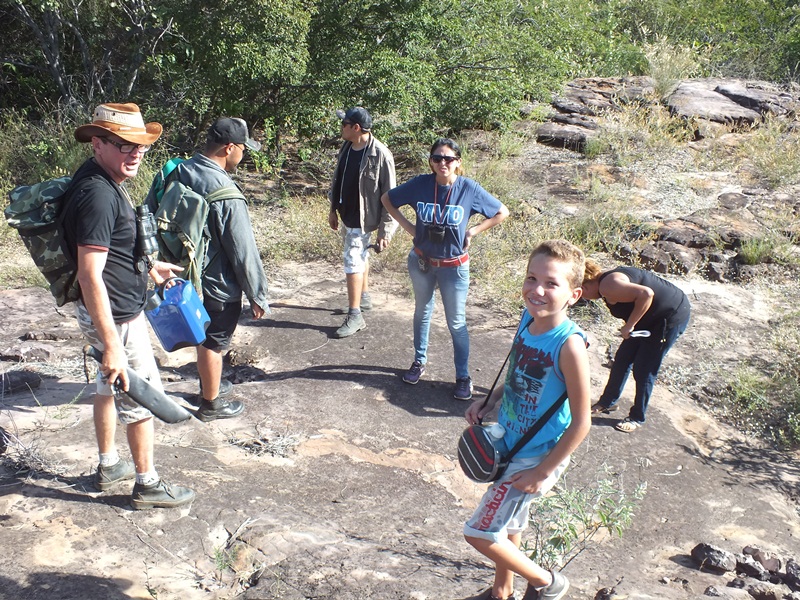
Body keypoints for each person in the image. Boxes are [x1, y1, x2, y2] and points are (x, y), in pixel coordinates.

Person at [64, 102, 194, 509]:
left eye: (141, 145)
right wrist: (113, 344)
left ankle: (108, 465)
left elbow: (114, 249)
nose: (135, 152)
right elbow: (90, 274)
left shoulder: (99, 177)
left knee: (107, 386)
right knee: (140, 397)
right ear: (97, 144)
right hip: (116, 317)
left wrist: (151, 267)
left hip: (108, 312)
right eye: (125, 145)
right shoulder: (98, 195)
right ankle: (147, 484)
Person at [463, 240, 591, 600]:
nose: (537, 290)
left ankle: (548, 584)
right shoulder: (527, 320)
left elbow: (582, 422)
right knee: (509, 525)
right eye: (531, 278)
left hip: (536, 456)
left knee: (480, 532)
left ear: (573, 295)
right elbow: (518, 376)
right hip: (509, 441)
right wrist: (490, 401)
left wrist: (541, 472)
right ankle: (502, 591)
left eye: (551, 283)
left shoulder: (569, 345)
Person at [158, 118, 269, 422]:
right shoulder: (227, 193)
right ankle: (211, 404)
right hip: (217, 285)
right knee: (213, 342)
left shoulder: (180, 170)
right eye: (243, 149)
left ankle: (211, 384)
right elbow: (243, 250)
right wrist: (257, 294)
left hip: (182, 277)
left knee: (202, 335)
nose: (243, 155)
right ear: (229, 148)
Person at [381, 138, 509, 400]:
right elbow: (387, 199)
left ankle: (463, 376)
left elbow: (502, 212)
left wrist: (473, 231)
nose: (443, 163)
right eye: (437, 158)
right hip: (422, 262)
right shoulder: (420, 184)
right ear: (431, 161)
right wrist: (409, 227)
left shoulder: (468, 189)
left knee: (456, 322)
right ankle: (419, 361)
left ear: (457, 162)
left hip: (454, 267)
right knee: (422, 312)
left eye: (448, 158)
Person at [581, 260, 691, 432]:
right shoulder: (606, 283)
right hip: (648, 320)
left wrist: (629, 326)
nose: (583, 297)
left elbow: (646, 294)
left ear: (586, 285)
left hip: (668, 317)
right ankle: (606, 402)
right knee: (622, 360)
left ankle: (637, 417)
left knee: (644, 369)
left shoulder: (607, 285)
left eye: (581, 292)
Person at [328, 107, 397, 338]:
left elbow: (391, 195)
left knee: (352, 262)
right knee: (359, 257)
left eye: (344, 124)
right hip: (346, 215)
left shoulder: (381, 154)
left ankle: (355, 315)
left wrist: (385, 231)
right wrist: (332, 210)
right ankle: (364, 298)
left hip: (363, 220)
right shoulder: (347, 147)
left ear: (356, 127)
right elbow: (338, 180)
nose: (341, 127)